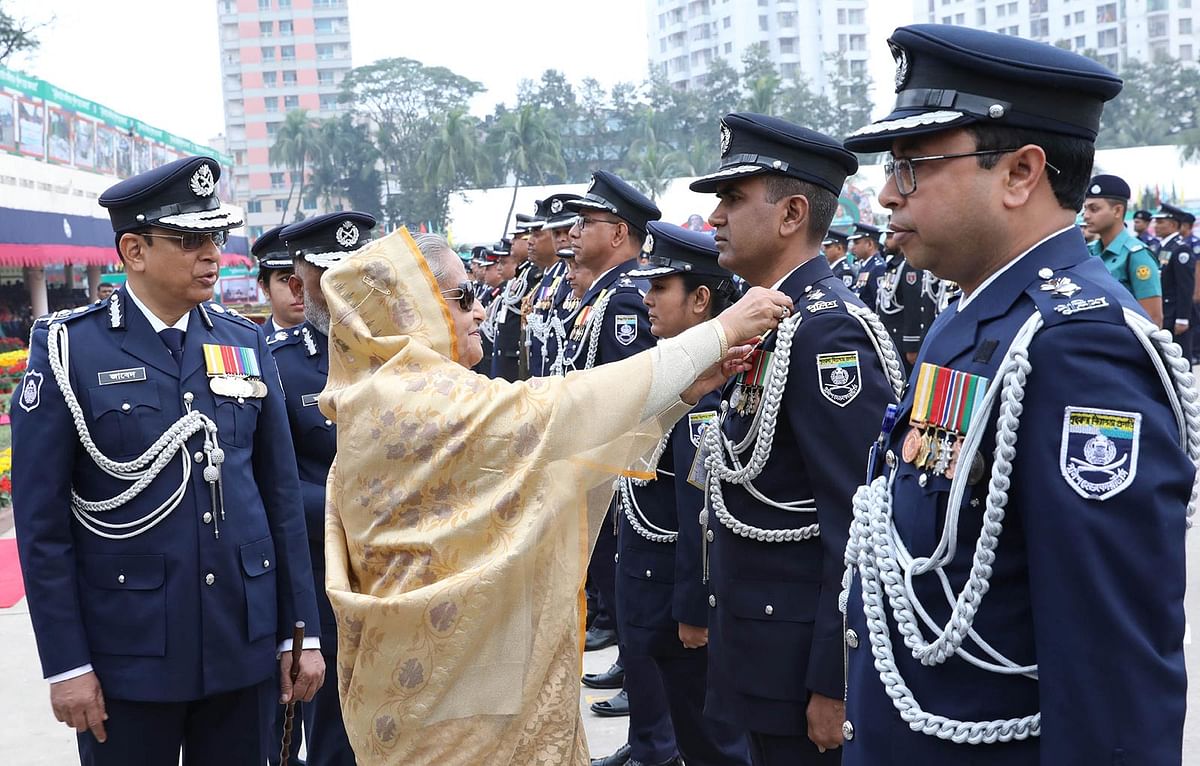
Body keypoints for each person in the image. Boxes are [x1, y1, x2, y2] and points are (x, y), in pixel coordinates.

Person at [840, 23, 1194, 764]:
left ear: (1020, 173)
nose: (884, 195)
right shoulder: (972, 316)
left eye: (910, 167)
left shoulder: (1076, 346)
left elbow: (1110, 665)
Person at [318, 228, 793, 763]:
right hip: (447, 695)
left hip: (457, 669)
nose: (480, 312)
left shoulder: (387, 394)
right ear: (408, 312)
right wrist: (721, 330)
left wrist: (681, 396)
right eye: (463, 297)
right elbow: (566, 410)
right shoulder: (412, 399)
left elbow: (557, 460)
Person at [11, 156, 325, 765]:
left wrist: (302, 632)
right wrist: (67, 663)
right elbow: (43, 527)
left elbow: (279, 496)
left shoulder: (244, 341)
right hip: (129, 650)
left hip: (243, 639)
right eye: (188, 240)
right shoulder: (70, 348)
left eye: (215, 236)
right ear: (134, 250)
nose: (211, 253)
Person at [690, 112, 902, 766]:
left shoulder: (825, 335)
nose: (715, 217)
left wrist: (834, 681)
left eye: (732, 198)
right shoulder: (770, 319)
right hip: (755, 647)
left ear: (791, 215)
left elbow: (858, 517)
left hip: (797, 669)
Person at [609, 220, 755, 766]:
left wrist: (694, 608)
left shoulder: (705, 392)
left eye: (659, 289)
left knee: (714, 744)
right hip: (651, 591)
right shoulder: (677, 374)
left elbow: (700, 511)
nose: (646, 299)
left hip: (678, 604)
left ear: (700, 299)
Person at [559, 172, 682, 765]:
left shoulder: (629, 296)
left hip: (628, 477)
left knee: (639, 610)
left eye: (587, 223)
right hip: (604, 472)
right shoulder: (603, 294)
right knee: (630, 610)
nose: (575, 233)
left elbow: (634, 397)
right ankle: (648, 739)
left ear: (619, 232)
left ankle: (655, 742)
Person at [269, 211, 376, 765]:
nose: (343, 292)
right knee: (334, 735)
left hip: (401, 575)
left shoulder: (401, 353)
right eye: (328, 277)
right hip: (324, 577)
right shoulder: (279, 367)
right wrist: (359, 510)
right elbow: (276, 485)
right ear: (298, 284)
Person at [1081, 174, 1162, 326]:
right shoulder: (1088, 252)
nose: (1086, 216)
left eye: (1094, 209)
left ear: (1117, 211)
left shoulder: (1137, 255)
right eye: (1085, 209)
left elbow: (1153, 318)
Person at [526, 193, 581, 377]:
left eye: (567, 231)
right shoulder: (553, 275)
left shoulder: (586, 275)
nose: (563, 238)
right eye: (556, 233)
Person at [873, 225, 935, 373]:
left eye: (889, 236)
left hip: (902, 339)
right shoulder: (894, 265)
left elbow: (913, 306)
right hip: (891, 337)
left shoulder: (908, 266)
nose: (885, 241)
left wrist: (912, 345)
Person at [492, 214, 540, 381]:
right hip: (506, 357)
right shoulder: (523, 274)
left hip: (515, 358)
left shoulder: (535, 275)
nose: (512, 242)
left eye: (518, 237)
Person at [1155, 203, 1195, 360]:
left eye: (1160, 222)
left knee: (1181, 362)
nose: (1156, 226)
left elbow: (1185, 287)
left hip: (1175, 315)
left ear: (1172, 224)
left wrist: (1183, 318)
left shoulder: (1180, 249)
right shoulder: (1162, 247)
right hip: (1166, 312)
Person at [253, 224, 306, 336]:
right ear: (265, 288)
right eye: (286, 279)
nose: (298, 289)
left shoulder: (340, 343)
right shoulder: (252, 346)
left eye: (305, 277)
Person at [849, 223, 886, 303]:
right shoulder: (866, 266)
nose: (853, 248)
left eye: (857, 243)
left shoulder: (878, 268)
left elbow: (878, 302)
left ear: (869, 244)